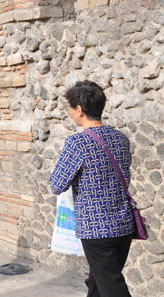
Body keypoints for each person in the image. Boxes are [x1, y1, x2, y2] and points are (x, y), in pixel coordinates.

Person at [50, 81, 135, 297]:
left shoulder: (77, 143)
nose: (70, 112)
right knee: (99, 281)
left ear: (79, 109)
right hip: (123, 224)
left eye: (70, 107)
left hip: (97, 228)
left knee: (112, 286)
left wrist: (55, 169)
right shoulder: (121, 139)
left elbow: (58, 184)